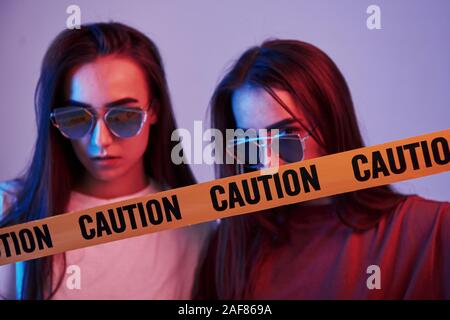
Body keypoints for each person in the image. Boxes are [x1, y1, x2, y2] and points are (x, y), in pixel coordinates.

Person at [192, 39, 450, 299]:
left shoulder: (429, 231)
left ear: (331, 123)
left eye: (286, 135)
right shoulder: (231, 248)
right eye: (249, 144)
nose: (269, 165)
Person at [0, 22, 212, 300]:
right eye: (76, 118)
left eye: (123, 116)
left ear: (154, 110)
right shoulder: (10, 209)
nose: (100, 140)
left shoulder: (196, 231)